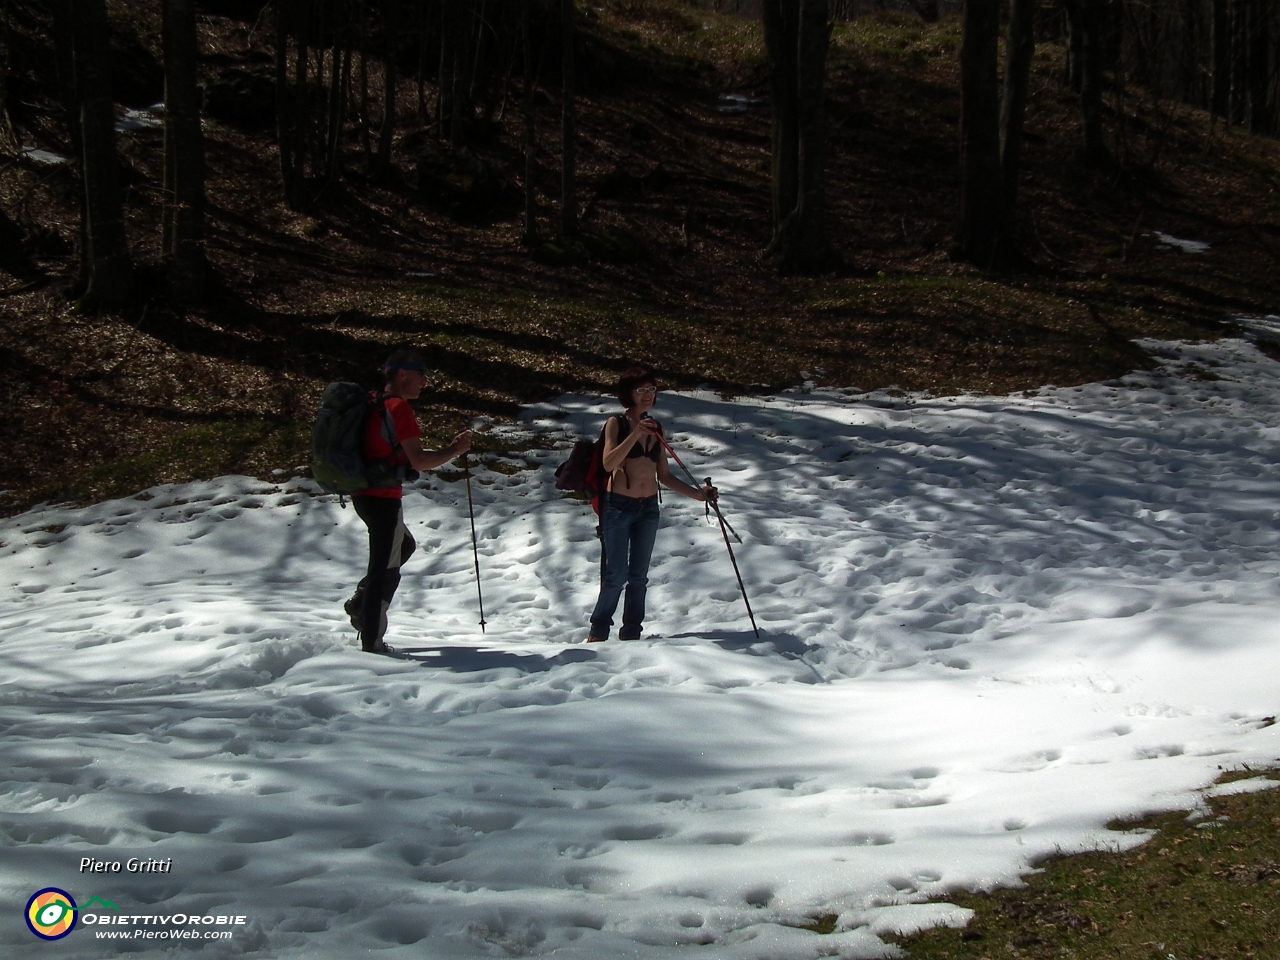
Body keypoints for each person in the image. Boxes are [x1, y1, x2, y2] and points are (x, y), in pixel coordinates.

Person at [344, 349, 470, 654]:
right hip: (382, 497)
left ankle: (362, 604)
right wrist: (455, 450)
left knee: (402, 547)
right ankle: (372, 641)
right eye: (420, 374)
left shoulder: (375, 403)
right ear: (402, 374)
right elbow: (419, 461)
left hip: (364, 493)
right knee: (383, 569)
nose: (425, 382)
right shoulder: (397, 408)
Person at [587, 367, 716, 642]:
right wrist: (635, 434)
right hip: (618, 507)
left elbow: (664, 475)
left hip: (648, 509)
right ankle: (599, 631)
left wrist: (698, 495)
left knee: (639, 577)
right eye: (641, 390)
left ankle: (632, 632)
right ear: (628, 395)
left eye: (652, 389)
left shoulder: (657, 427)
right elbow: (608, 463)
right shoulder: (616, 424)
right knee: (616, 574)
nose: (648, 395)